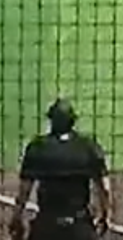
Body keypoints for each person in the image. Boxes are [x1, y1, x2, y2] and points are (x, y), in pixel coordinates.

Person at [8, 98, 111, 240]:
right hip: (79, 228)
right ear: (72, 121)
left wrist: (17, 218)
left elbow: (24, 192)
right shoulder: (88, 147)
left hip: (46, 228)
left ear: (51, 121)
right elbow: (105, 189)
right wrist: (104, 216)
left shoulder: (37, 147)